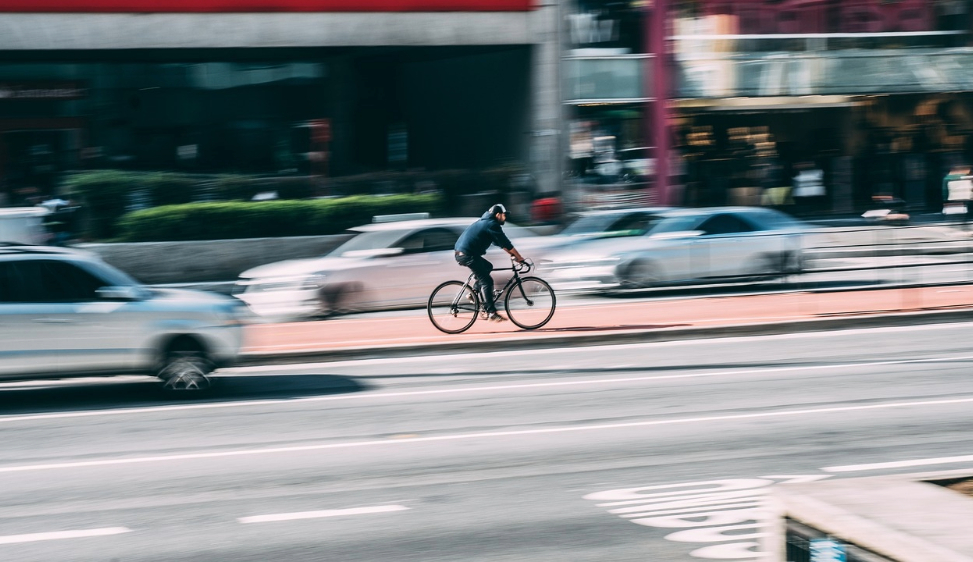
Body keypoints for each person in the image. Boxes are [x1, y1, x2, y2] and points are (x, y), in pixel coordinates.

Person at [454, 203, 526, 322]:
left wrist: (513, 254)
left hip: (465, 253)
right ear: (498, 215)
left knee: (488, 266)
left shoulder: (486, 223)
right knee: (487, 281)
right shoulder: (492, 224)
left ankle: (474, 293)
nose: (505, 217)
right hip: (467, 255)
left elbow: (500, 244)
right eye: (504, 215)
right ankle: (492, 312)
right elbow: (506, 243)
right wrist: (519, 257)